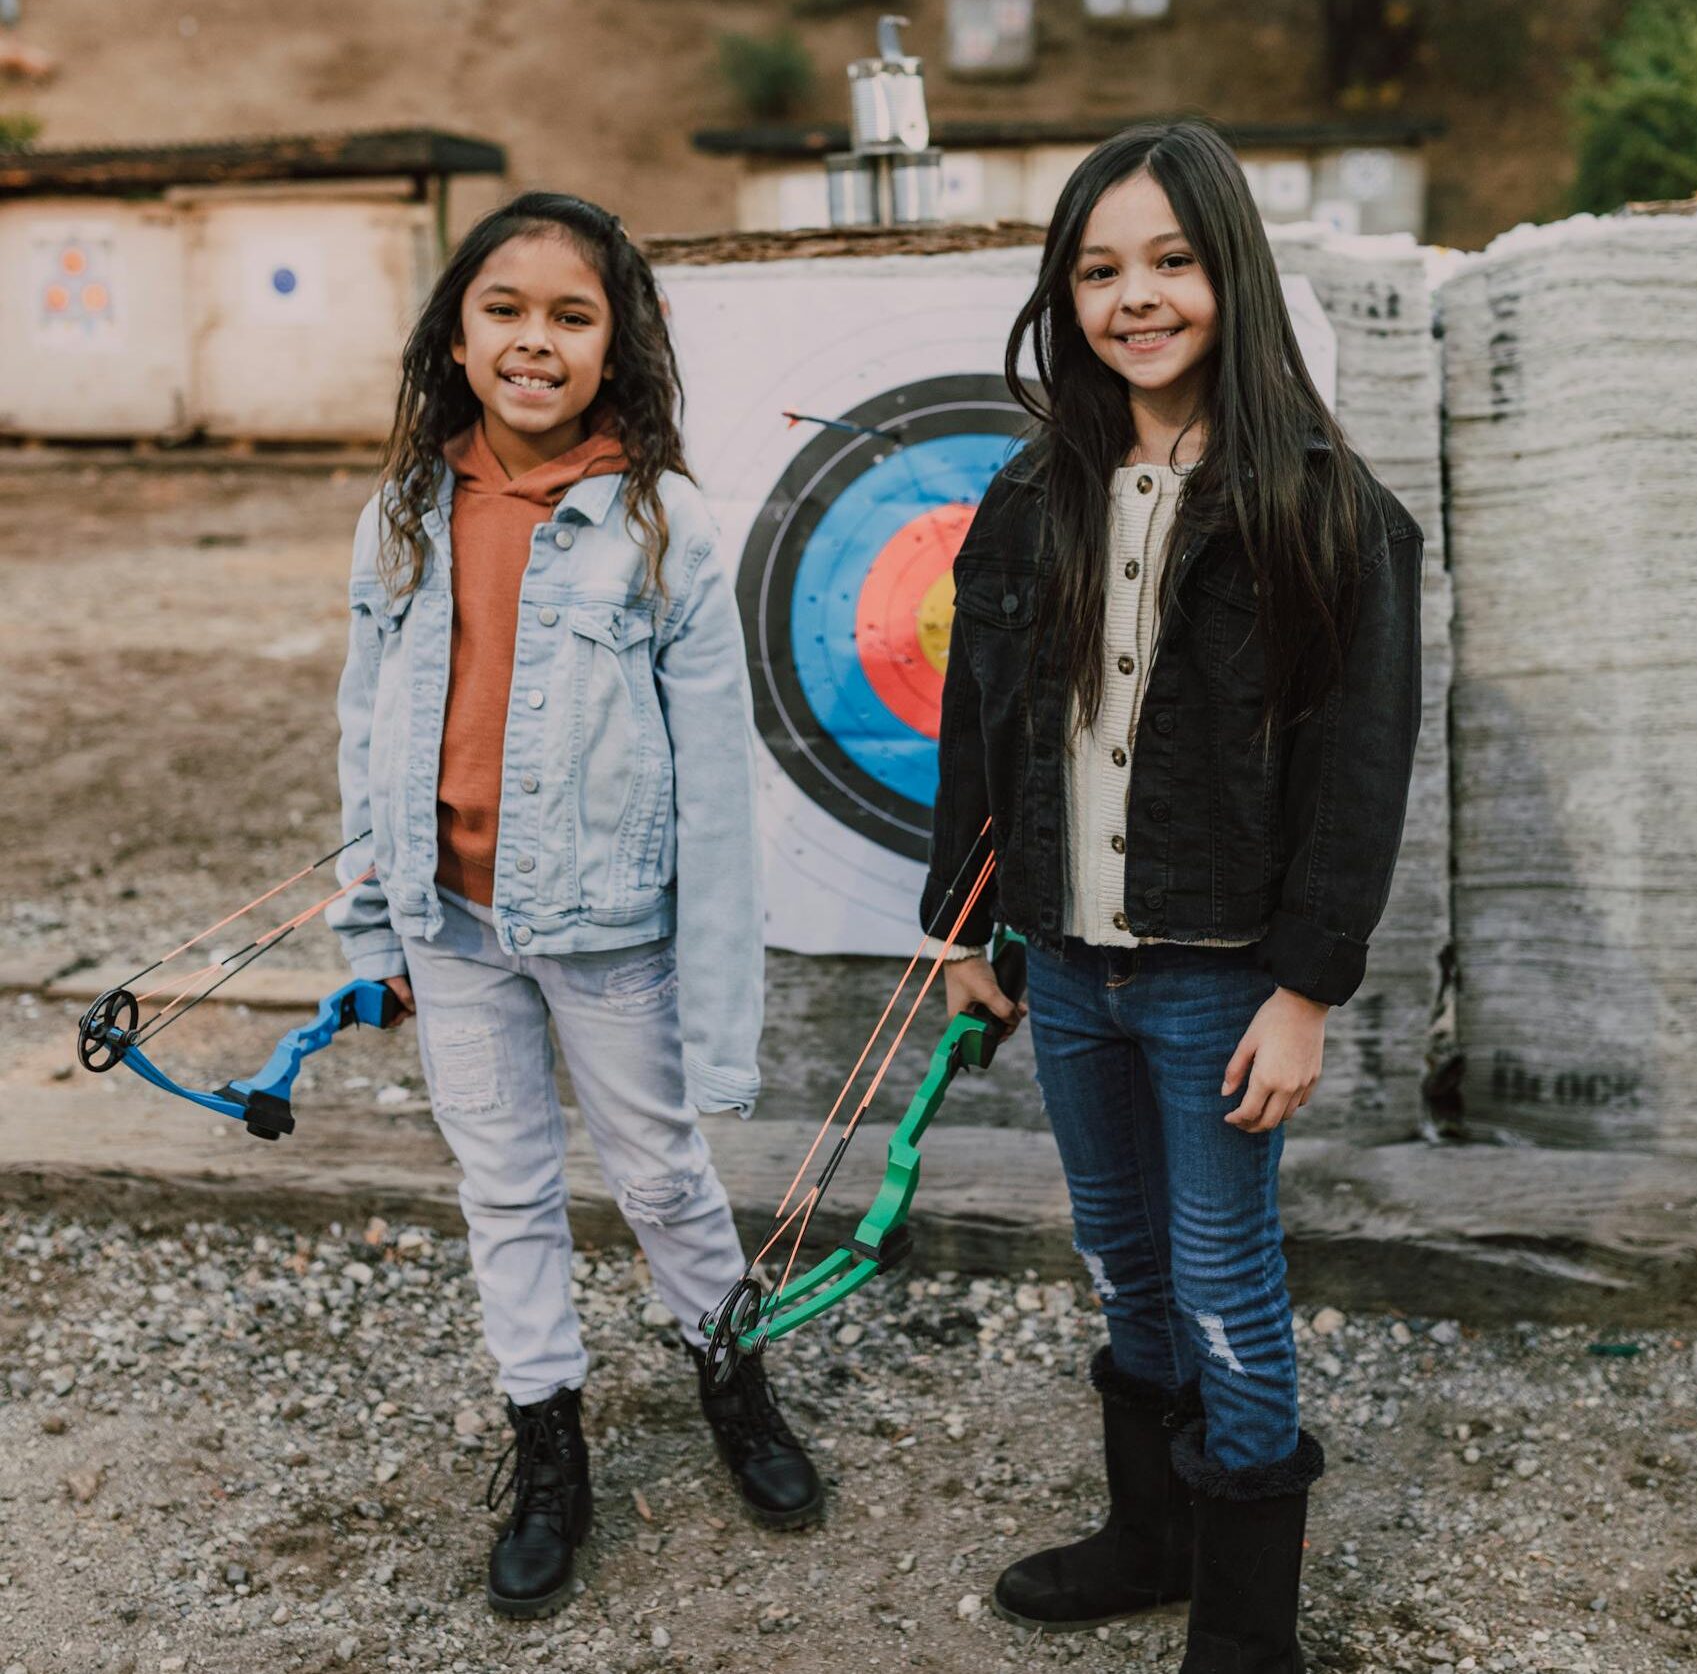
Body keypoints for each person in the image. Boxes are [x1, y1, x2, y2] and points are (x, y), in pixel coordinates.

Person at [922, 123, 1423, 1669]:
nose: (1135, 297)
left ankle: (1248, 1626)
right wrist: (964, 921)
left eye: (1171, 261)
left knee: (1221, 1277)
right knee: (1121, 1254)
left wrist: (1306, 990)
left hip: (1221, 978)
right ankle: (1151, 1538)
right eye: (1098, 269)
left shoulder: (1329, 507)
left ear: (1233, 274)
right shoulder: (1034, 494)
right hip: (1068, 963)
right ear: (1065, 294)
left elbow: (1359, 771)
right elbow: (979, 714)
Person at [328, 192, 822, 1620]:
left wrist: (725, 1019)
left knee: (661, 1173)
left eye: (571, 315)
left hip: (611, 933)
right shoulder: (403, 510)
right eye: (504, 309)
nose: (534, 341)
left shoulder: (665, 525)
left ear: (620, 347)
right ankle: (551, 1455)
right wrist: (378, 927)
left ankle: (733, 1385)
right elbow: (365, 726)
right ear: (456, 333)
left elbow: (720, 793)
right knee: (505, 1191)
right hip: (451, 922)